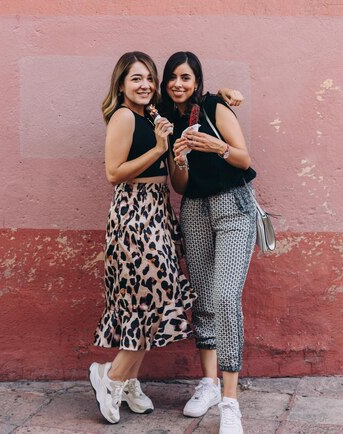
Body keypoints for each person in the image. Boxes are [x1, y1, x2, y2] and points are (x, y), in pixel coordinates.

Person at [89, 51, 242, 425]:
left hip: (158, 209)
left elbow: (192, 98)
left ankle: (126, 379)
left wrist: (222, 95)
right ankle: (110, 377)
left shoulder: (153, 115)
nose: (145, 85)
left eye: (149, 79)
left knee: (156, 296)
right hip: (135, 213)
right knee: (153, 295)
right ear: (121, 84)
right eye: (136, 79)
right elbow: (113, 172)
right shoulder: (125, 116)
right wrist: (160, 149)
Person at [161, 51, 257, 434]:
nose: (178, 84)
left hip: (232, 205)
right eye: (173, 77)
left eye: (185, 77)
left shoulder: (215, 105)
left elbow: (242, 157)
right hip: (195, 209)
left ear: (197, 82)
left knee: (224, 298)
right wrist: (181, 159)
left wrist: (212, 146)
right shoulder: (167, 123)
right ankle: (209, 384)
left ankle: (231, 403)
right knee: (203, 297)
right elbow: (180, 187)